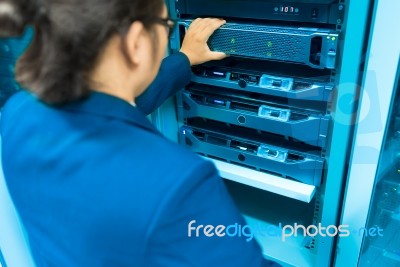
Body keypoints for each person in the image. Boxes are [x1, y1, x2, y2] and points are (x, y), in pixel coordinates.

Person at [0, 0, 281, 266]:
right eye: (166, 24)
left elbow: (106, 104)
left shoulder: (17, 112)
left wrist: (184, 58)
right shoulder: (178, 181)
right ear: (136, 42)